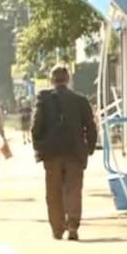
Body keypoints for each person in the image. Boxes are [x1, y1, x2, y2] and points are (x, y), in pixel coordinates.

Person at [31, 66, 97, 241]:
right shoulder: (80, 100)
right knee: (73, 189)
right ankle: (73, 225)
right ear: (68, 79)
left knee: (53, 192)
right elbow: (91, 127)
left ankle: (57, 228)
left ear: (52, 80)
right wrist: (89, 148)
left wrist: (39, 147)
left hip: (52, 153)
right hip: (75, 152)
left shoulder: (44, 99)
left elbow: (36, 125)